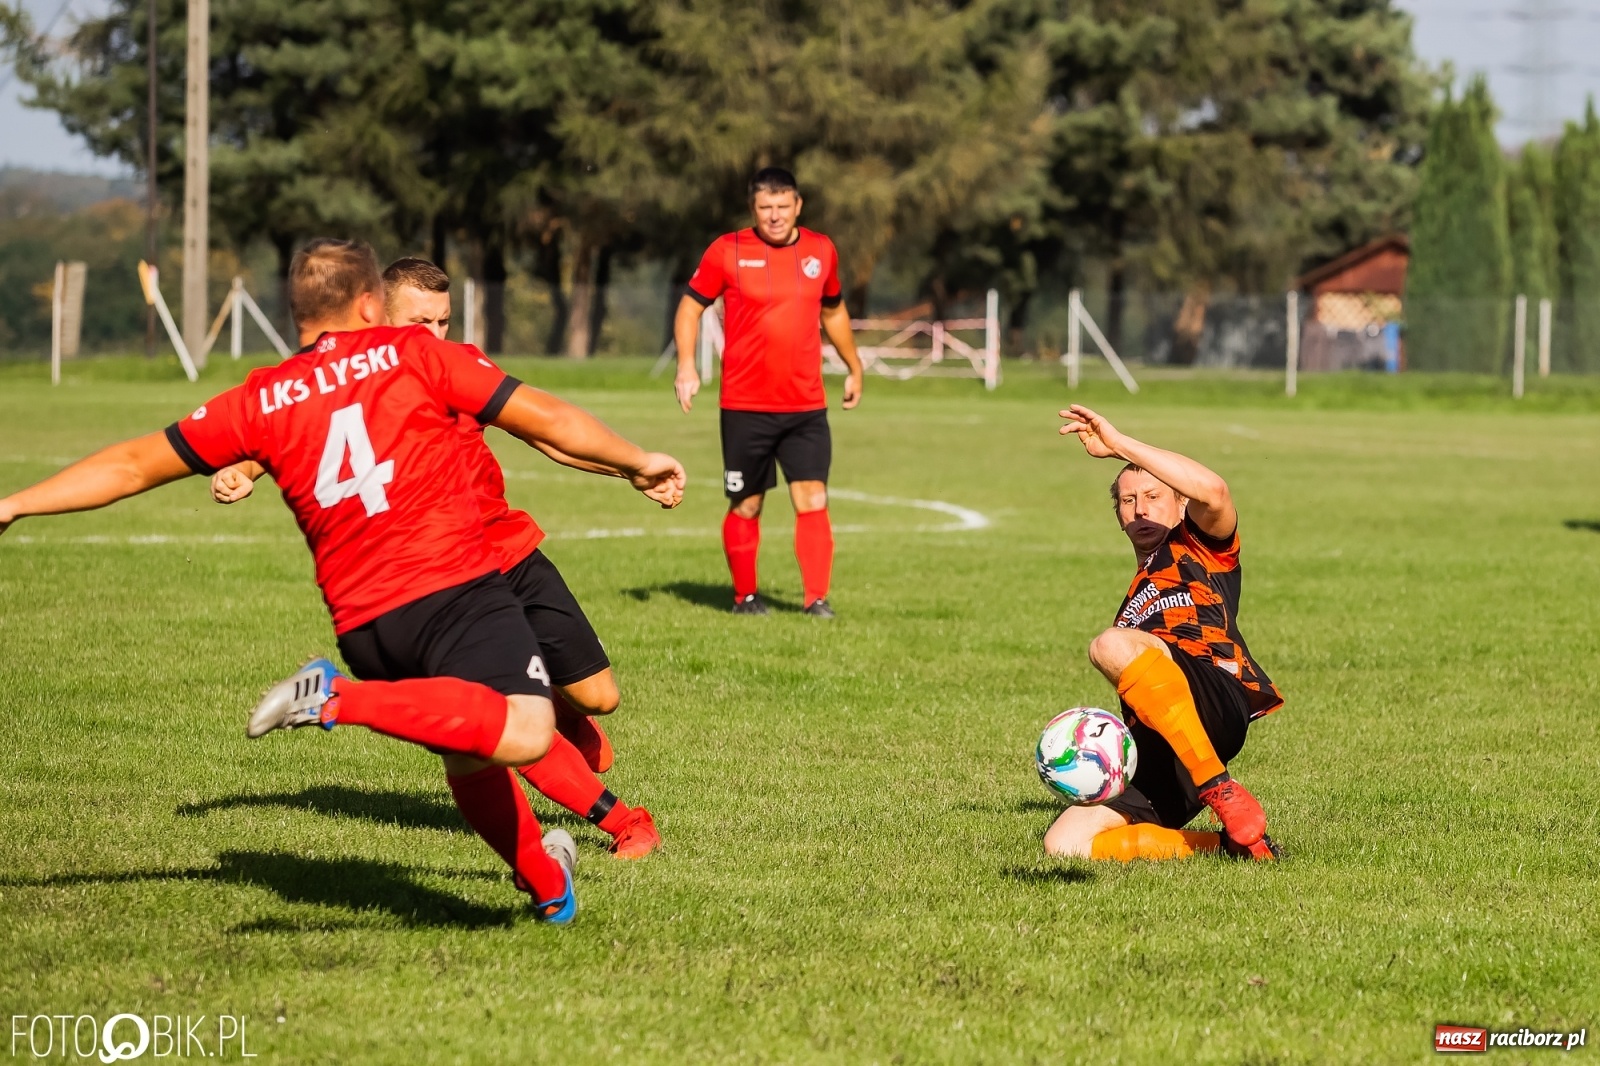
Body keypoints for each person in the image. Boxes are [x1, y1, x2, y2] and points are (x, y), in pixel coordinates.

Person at [0, 239, 687, 921]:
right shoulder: (415, 358)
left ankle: (548, 887)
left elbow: (130, 463)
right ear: (370, 304)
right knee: (525, 731)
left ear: (294, 309)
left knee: (470, 755)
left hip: (366, 622)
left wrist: (16, 503)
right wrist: (638, 457)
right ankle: (335, 700)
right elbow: (553, 419)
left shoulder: (262, 396)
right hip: (454, 585)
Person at [211, 256, 661, 859]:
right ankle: (626, 821)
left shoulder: (460, 367)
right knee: (507, 720)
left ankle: (556, 708)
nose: (435, 335)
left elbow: (548, 434)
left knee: (598, 698)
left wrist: (629, 469)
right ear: (378, 318)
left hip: (513, 555)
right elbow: (302, 425)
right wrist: (242, 469)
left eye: (443, 321)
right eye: (420, 322)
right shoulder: (368, 381)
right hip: (449, 583)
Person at [1044, 405, 1282, 863]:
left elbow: (1214, 490)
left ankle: (1219, 788)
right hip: (1166, 747)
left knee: (1109, 644)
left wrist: (1118, 446)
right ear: (1117, 515)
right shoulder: (1131, 605)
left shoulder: (1200, 548)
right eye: (1128, 501)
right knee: (1065, 844)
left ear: (1179, 505)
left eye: (1153, 495)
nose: (1140, 509)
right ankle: (1231, 847)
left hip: (1213, 694)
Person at [672, 166, 865, 617]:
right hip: (745, 406)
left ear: (798, 205)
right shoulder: (728, 250)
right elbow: (689, 307)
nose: (774, 216)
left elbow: (834, 311)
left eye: (782, 206)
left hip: (806, 405)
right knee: (747, 503)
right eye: (765, 208)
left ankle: (817, 599)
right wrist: (686, 364)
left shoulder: (821, 251)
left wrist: (854, 366)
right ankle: (745, 598)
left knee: (813, 496)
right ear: (752, 208)